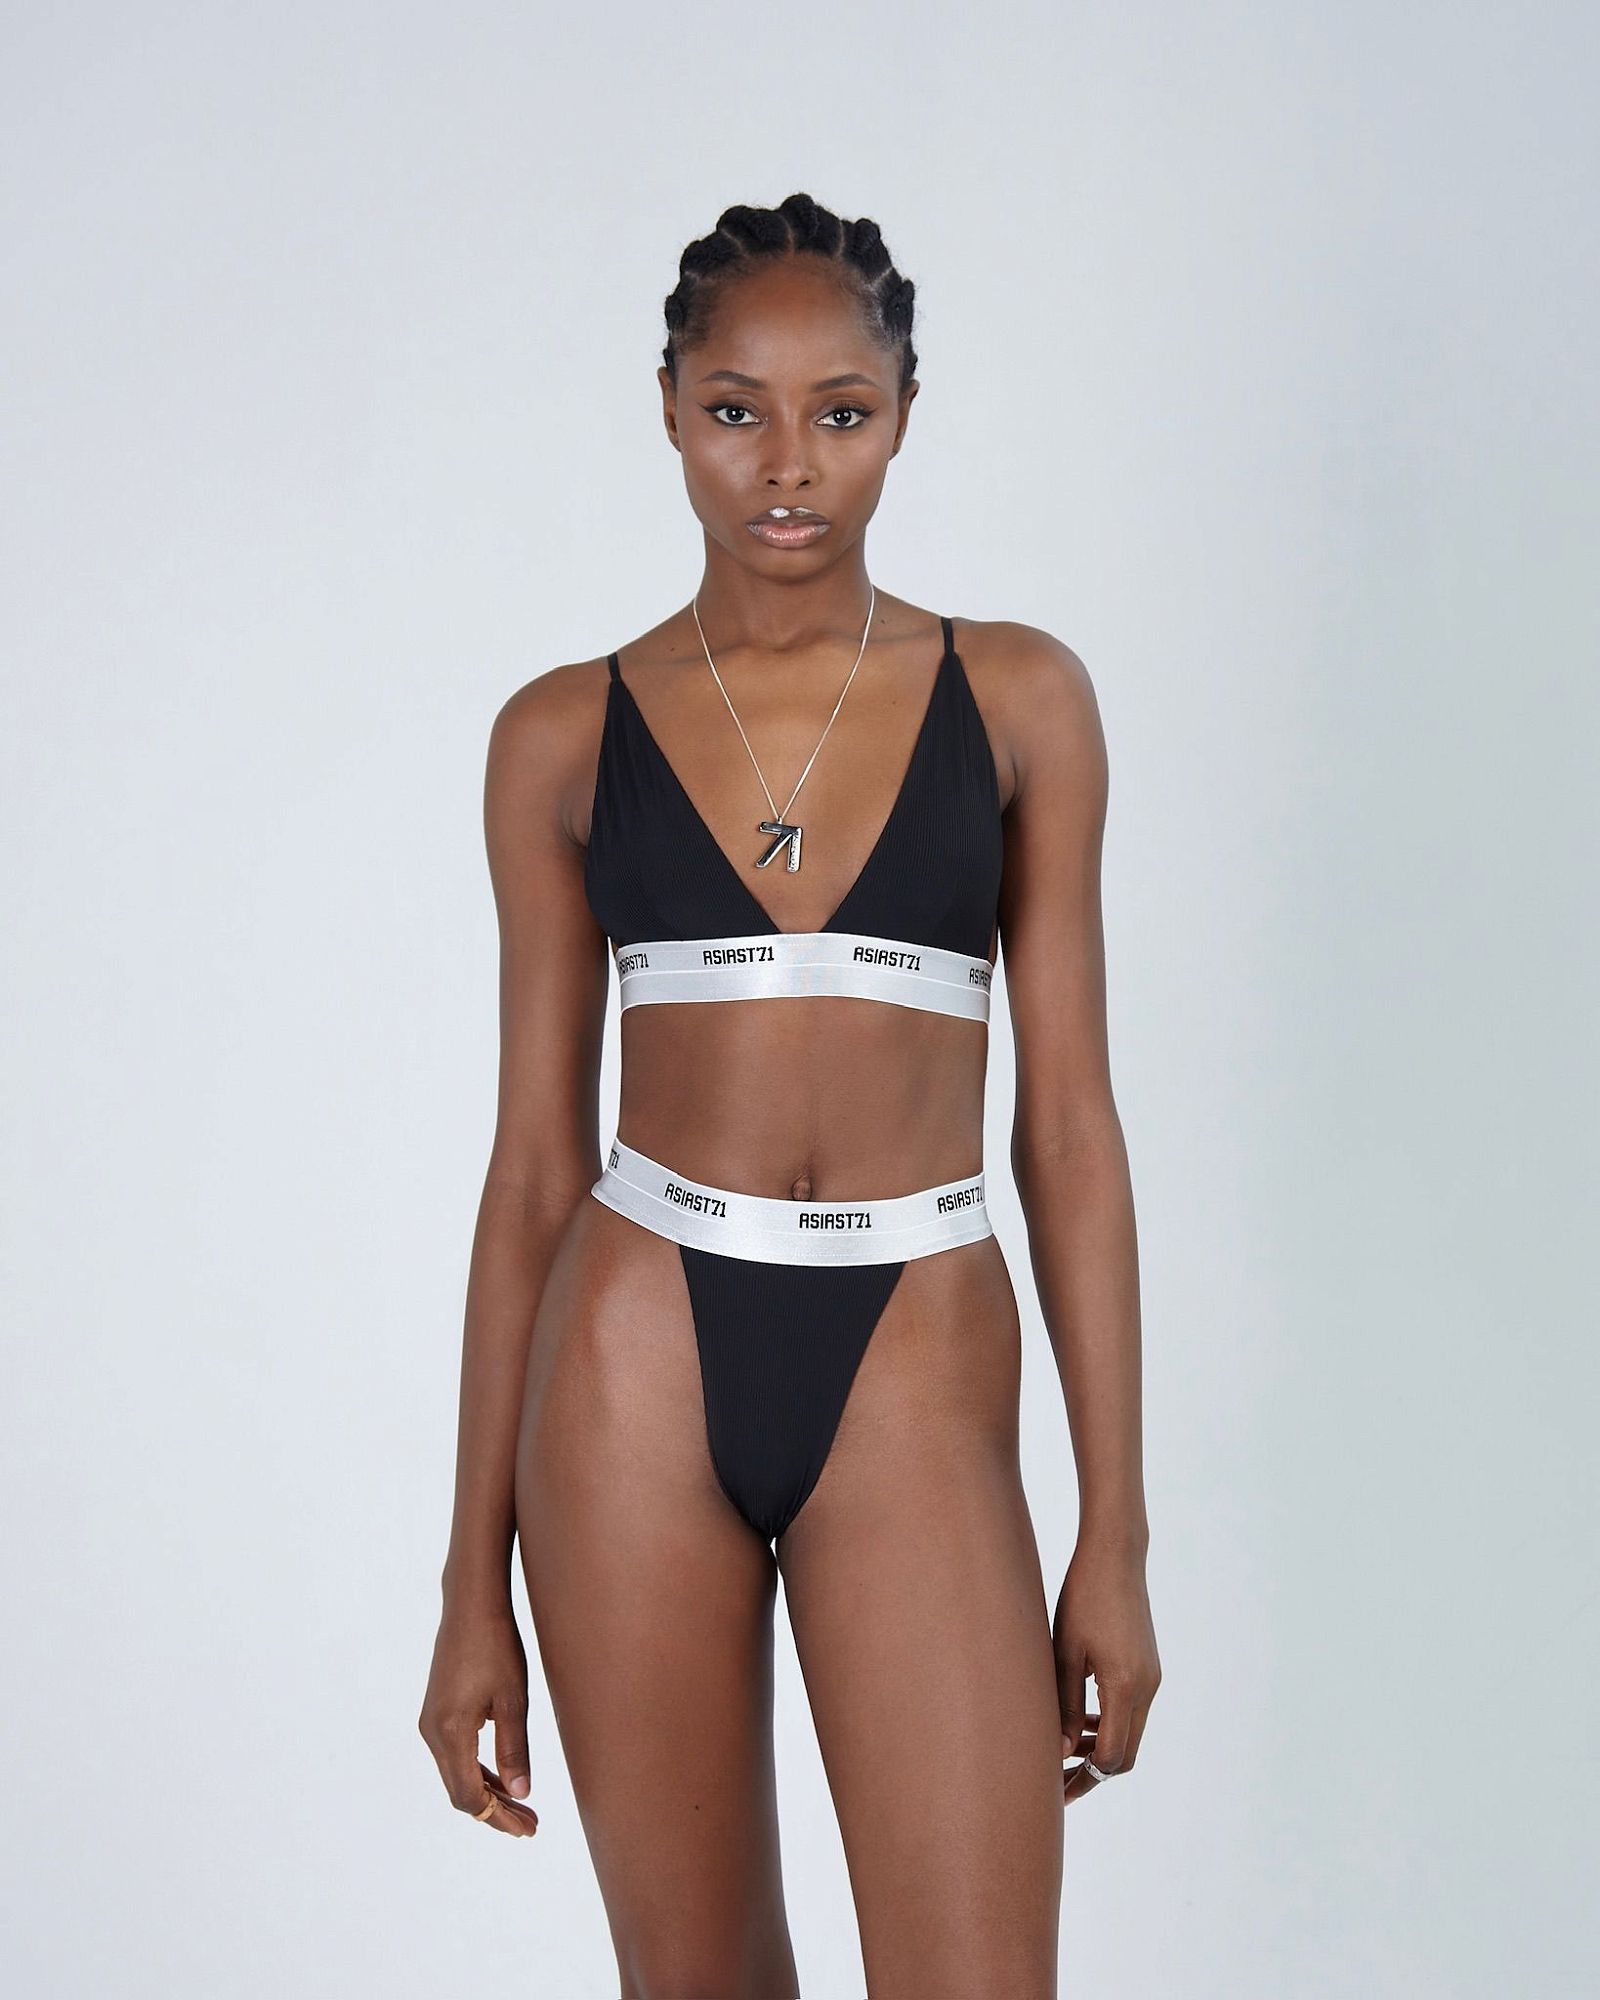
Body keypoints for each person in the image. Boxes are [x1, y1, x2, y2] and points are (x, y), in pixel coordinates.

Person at [419, 192, 1160, 1999]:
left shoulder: (1019, 699)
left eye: (842, 412)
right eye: (736, 409)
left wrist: (1116, 1535)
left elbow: (1068, 1135)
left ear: (903, 416)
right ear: (671, 411)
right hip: (632, 1359)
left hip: (917, 1352)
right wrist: (466, 1586)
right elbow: (532, 1173)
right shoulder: (559, 736)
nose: (787, 465)